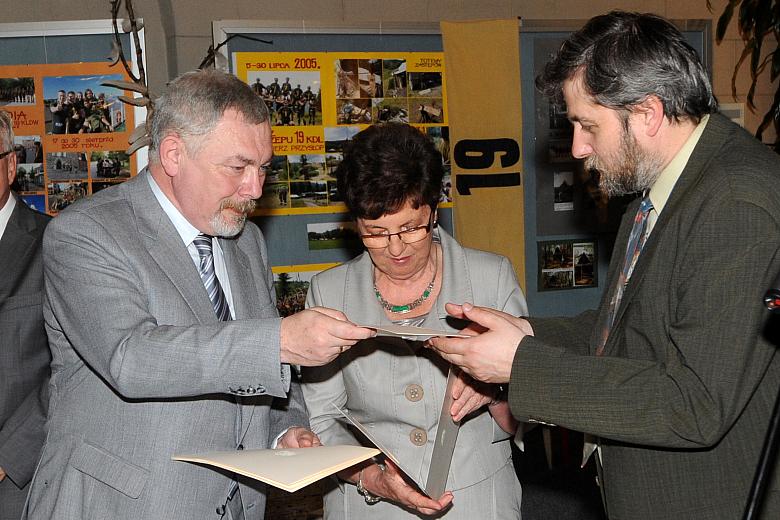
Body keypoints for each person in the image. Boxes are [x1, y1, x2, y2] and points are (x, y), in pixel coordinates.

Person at [428, 10, 780, 520]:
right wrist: (524, 332)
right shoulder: (661, 187)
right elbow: (632, 333)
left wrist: (520, 364)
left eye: (586, 124)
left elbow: (694, 404)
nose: (577, 147)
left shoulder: (735, 202)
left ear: (648, 113)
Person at [23, 69, 374, 520]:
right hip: (123, 505)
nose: (255, 189)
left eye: (263, 167)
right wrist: (281, 340)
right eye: (237, 167)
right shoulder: (86, 233)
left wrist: (284, 430)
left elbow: (257, 368)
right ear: (173, 153)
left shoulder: (245, 241)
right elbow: (130, 357)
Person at [302, 123, 527, 519]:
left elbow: (521, 419)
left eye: (410, 227)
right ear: (356, 223)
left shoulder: (490, 278)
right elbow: (321, 419)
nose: (395, 247)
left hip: (475, 502)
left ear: (434, 211)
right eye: (376, 232)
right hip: (367, 503)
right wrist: (370, 478)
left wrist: (494, 389)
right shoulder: (328, 293)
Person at [0, 110, 51, 520]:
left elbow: (78, 368)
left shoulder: (57, 244)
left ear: (12, 165)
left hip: (21, 484)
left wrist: (7, 456)